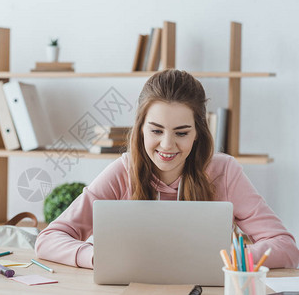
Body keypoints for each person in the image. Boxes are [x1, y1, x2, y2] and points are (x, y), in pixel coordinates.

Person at [35, 69, 299, 269]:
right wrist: (95, 257)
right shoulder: (123, 171)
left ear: (197, 133)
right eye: (156, 131)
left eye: (181, 132)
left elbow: (286, 246)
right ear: (140, 130)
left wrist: (231, 259)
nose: (167, 144)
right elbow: (48, 239)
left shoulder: (224, 171)